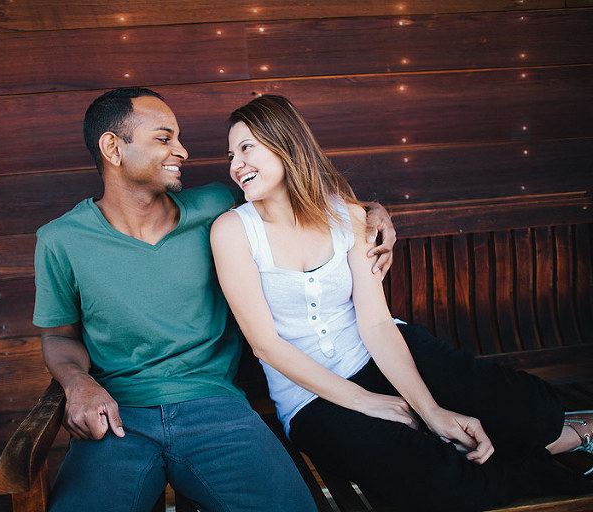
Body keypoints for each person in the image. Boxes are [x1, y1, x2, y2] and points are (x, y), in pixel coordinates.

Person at [210, 94, 593, 512]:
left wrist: (430, 411)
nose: (236, 164)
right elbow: (267, 345)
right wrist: (368, 402)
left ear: (287, 144)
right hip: (309, 398)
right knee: (446, 488)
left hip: (381, 353)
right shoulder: (233, 231)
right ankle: (545, 456)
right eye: (231, 154)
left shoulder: (347, 216)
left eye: (246, 147)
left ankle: (555, 432)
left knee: (537, 414)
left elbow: (375, 324)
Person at [32, 87, 396, 511]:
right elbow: (57, 337)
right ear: (113, 147)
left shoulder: (218, 209)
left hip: (217, 409)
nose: (182, 151)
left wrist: (369, 210)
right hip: (118, 417)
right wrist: (78, 384)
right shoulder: (60, 240)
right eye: (164, 138)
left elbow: (298, 203)